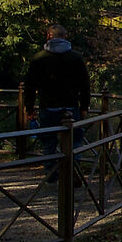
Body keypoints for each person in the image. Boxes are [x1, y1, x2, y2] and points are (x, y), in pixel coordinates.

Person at [20, 24, 91, 181]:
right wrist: (85, 106)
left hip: (48, 106)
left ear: (48, 37)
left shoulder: (39, 58)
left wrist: (29, 107)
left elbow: (30, 86)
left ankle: (51, 175)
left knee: (48, 143)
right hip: (71, 106)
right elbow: (84, 84)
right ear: (65, 37)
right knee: (74, 142)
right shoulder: (76, 57)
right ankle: (74, 172)